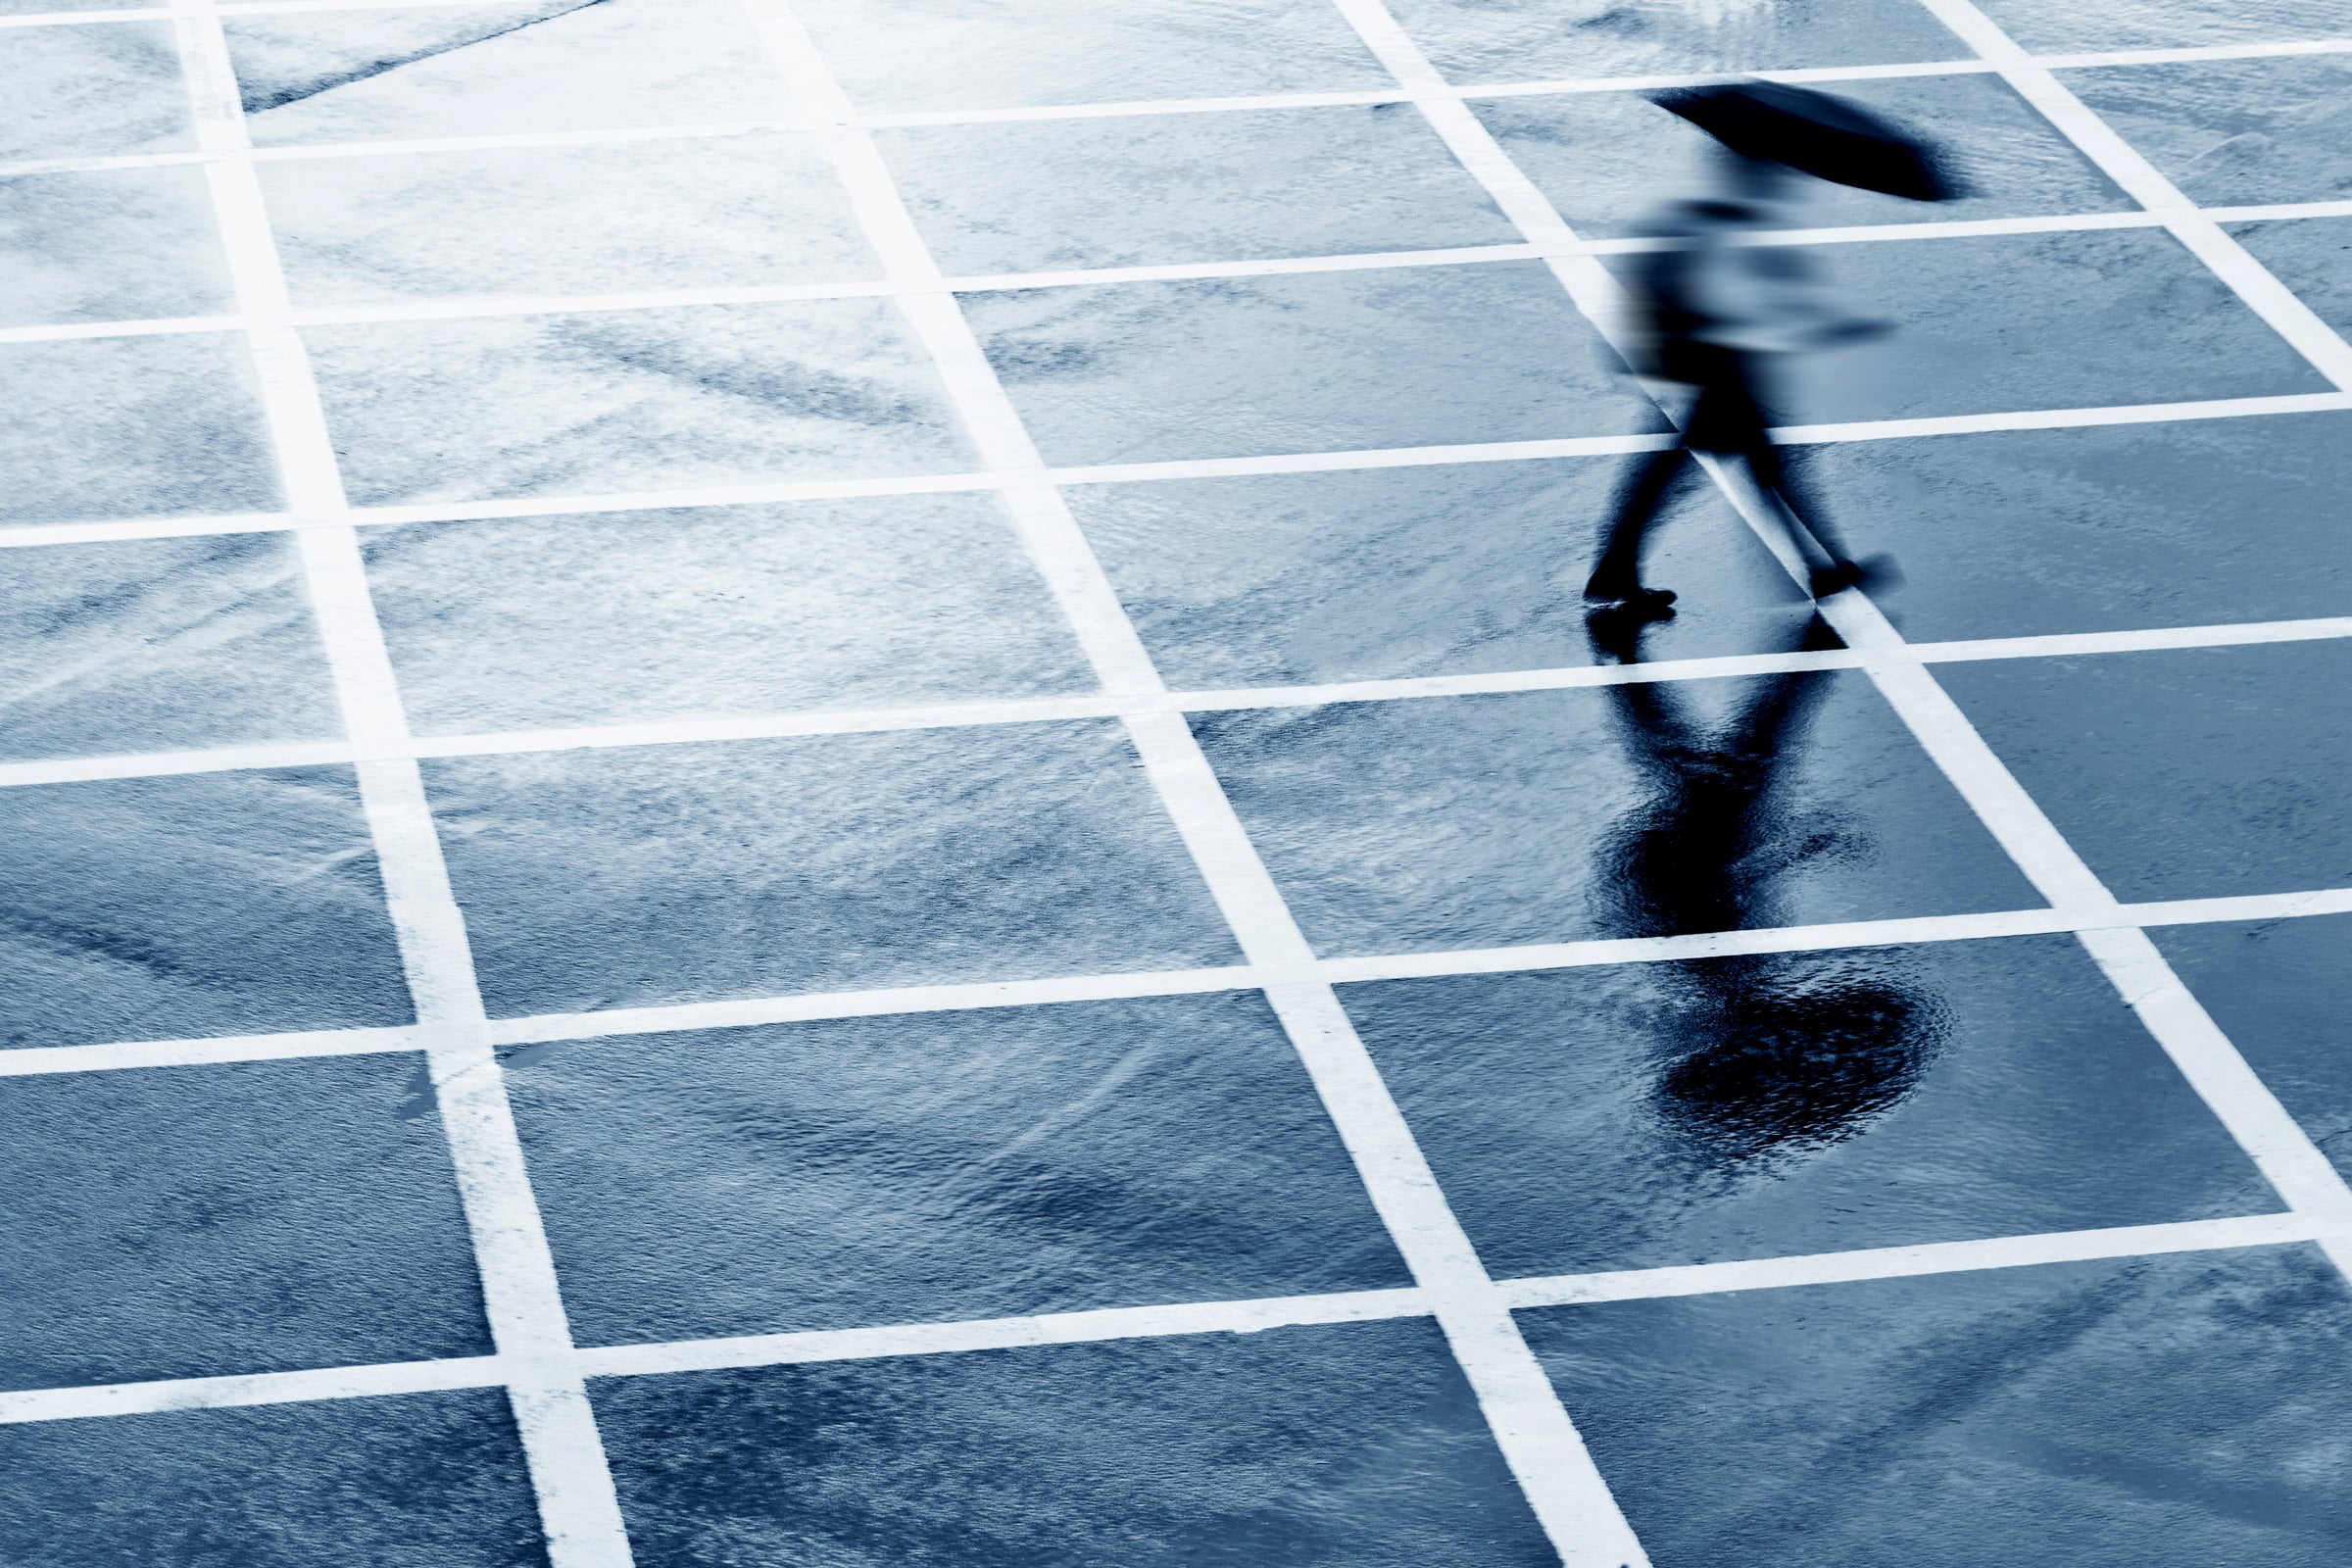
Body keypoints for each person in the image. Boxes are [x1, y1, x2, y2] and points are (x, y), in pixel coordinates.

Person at [1587, 608, 1941, 1164]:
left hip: (1675, 862)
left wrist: (1786, 851)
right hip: (1667, 865)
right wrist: (1790, 851)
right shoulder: (1717, 972)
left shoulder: (1728, 967)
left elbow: (1712, 891)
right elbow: (1717, 889)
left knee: (1743, 752)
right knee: (1732, 754)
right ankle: (1797, 648)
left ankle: (1805, 646)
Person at [1585, 147, 1890, 617]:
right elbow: (1738, 291)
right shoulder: (1714, 220)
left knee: (1715, 466)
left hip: (1705, 360)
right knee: (1756, 468)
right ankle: (1821, 568)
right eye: (1767, 169)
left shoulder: (1717, 215)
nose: (1777, 179)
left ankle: (1822, 567)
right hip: (1711, 363)